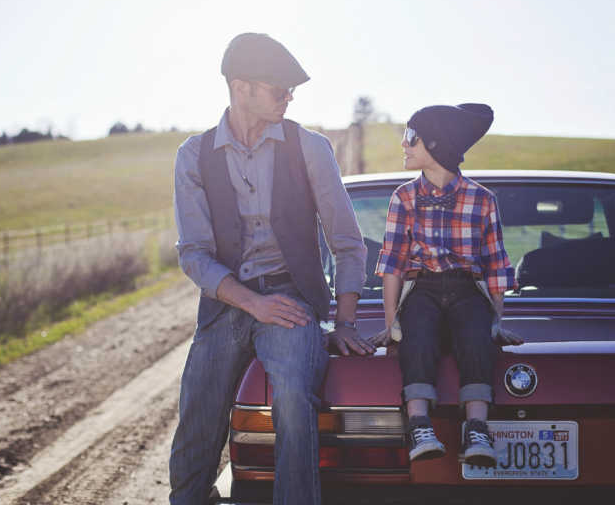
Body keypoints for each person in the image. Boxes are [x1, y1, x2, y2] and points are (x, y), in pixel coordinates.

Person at [169, 32, 372, 505]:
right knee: (197, 417)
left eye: (291, 91)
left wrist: (342, 322)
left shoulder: (310, 147)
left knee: (293, 401)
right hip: (227, 304)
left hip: (293, 301)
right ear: (242, 89)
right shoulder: (192, 156)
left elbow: (347, 243)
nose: (289, 98)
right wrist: (251, 303)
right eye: (279, 89)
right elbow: (193, 253)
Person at [372, 103, 523, 466]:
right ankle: (420, 425)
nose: (404, 145)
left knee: (475, 337)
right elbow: (393, 264)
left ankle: (477, 430)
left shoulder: (482, 199)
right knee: (416, 334)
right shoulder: (404, 198)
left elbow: (494, 266)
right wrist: (391, 322)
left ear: (435, 146)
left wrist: (496, 323)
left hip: (467, 290)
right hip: (421, 288)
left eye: (411, 137)